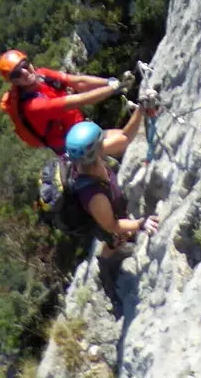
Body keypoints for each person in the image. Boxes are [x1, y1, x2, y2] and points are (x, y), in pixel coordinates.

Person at [64, 121, 160, 318]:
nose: (105, 141)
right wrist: (140, 224)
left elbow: (124, 138)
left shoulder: (90, 159)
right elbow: (112, 225)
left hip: (112, 202)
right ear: (94, 150)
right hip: (105, 217)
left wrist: (141, 110)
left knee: (122, 233)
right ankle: (106, 269)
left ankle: (110, 255)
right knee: (117, 238)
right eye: (101, 141)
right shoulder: (93, 195)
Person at [0, 49, 143, 158]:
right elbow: (80, 100)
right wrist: (114, 89)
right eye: (16, 74)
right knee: (123, 140)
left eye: (24, 65)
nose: (24, 72)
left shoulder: (43, 75)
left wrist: (111, 82)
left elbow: (77, 81)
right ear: (13, 81)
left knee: (125, 137)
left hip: (84, 130)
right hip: (75, 149)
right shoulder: (32, 106)